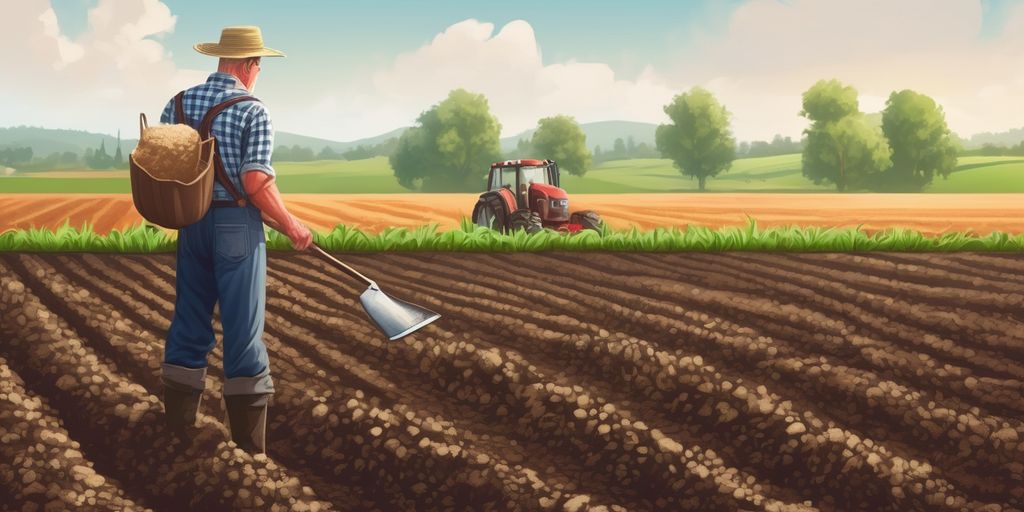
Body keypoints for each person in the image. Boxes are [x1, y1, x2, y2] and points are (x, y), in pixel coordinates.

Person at [158, 26, 312, 454]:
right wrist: (292, 225)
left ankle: (178, 435)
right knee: (243, 333)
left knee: (188, 322)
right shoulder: (252, 111)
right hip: (236, 228)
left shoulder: (178, 103)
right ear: (247, 65)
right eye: (259, 65)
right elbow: (256, 181)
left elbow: (166, 168)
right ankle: (249, 451)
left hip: (191, 224)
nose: (258, 72)